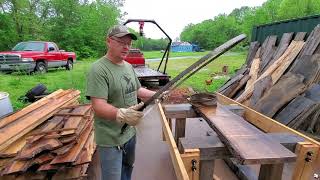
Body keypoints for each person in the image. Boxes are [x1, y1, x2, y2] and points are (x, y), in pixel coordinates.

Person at [86, 25, 156, 180]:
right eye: (121, 42)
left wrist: (156, 94)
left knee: (127, 170)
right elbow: (98, 106)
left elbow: (137, 90)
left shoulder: (128, 66)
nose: (126, 47)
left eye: (129, 44)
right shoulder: (98, 69)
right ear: (108, 41)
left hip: (130, 133)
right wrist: (121, 113)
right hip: (111, 138)